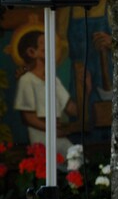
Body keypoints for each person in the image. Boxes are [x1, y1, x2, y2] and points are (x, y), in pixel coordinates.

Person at [13, 29, 87, 157]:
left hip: (56, 133)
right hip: (41, 135)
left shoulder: (53, 80)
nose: (49, 46)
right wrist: (52, 130)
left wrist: (85, 89)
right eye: (43, 43)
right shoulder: (27, 80)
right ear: (31, 52)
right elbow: (28, 117)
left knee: (77, 159)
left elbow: (72, 110)